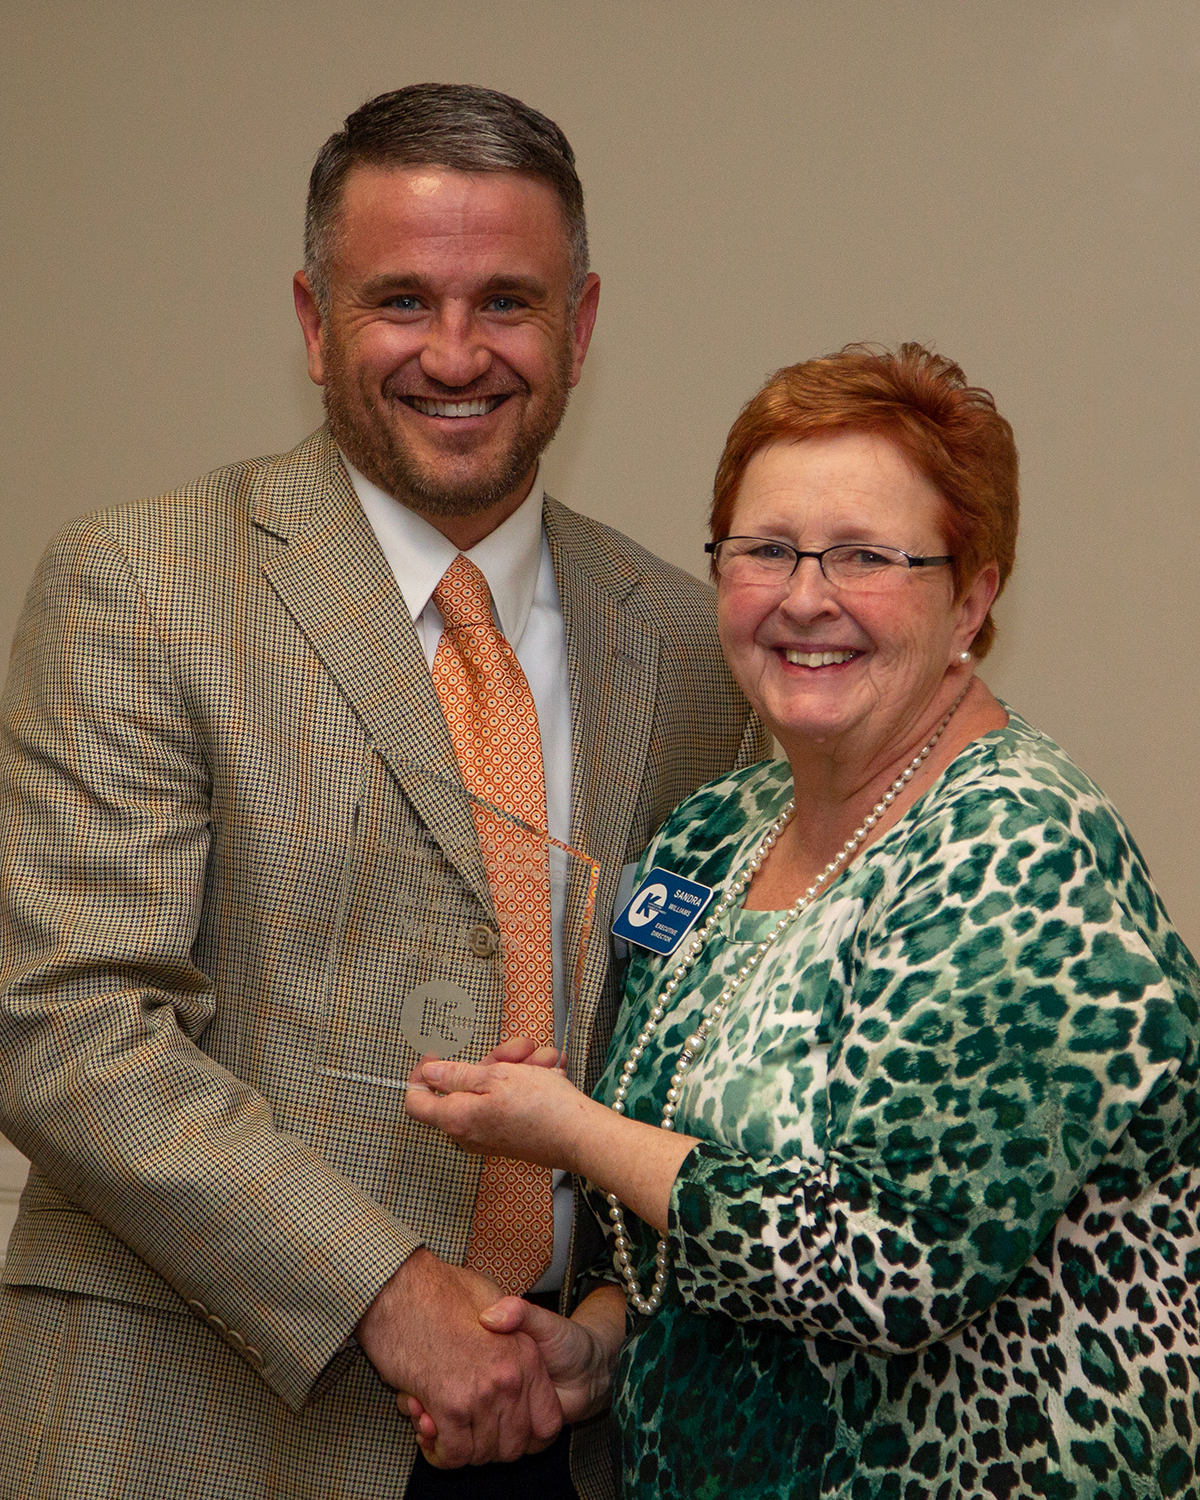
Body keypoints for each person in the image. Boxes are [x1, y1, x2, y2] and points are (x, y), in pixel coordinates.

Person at [0, 85, 767, 1500]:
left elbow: (694, 1052)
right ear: (312, 320)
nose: (457, 353)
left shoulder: (683, 640)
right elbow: (66, 1023)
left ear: (582, 326)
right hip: (209, 1426)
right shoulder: (145, 582)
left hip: (561, 1430)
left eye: (509, 303)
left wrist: (598, 1329)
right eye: (402, 300)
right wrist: (394, 1296)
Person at [406, 343, 1200, 1499]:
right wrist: (602, 1341)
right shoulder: (714, 834)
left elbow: (890, 1262)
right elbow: (689, 1208)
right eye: (766, 549)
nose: (804, 595)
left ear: (972, 596)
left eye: (867, 557)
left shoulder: (1021, 849)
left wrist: (570, 1131)